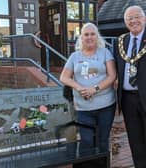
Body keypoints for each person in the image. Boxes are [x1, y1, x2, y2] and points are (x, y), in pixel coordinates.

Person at [60, 22, 116, 150]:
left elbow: (112, 76)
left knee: (103, 140)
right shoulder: (74, 56)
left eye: (92, 34)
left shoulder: (105, 53)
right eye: (86, 34)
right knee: (86, 142)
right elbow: (64, 77)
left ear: (97, 36)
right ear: (81, 37)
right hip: (83, 108)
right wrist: (79, 87)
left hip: (105, 106)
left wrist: (94, 89)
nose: (89, 37)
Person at [114, 5, 146, 168]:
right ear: (125, 22)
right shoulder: (121, 41)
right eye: (129, 18)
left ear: (144, 18)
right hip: (127, 99)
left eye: (136, 17)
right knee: (135, 139)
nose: (133, 21)